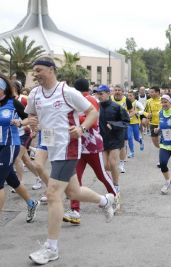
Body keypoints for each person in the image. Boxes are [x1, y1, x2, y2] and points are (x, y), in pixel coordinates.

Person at [25, 57, 115, 265]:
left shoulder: (67, 92)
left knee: (53, 193)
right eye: (34, 71)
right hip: (48, 142)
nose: (36, 74)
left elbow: (93, 111)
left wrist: (82, 129)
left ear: (51, 70)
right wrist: (32, 121)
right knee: (73, 192)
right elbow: (31, 115)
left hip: (68, 145)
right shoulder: (34, 94)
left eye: (39, 70)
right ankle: (105, 200)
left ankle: (51, 248)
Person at [0, 74, 39, 234]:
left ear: (2, 88)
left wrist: (20, 122)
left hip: (10, 145)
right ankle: (32, 203)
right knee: (11, 179)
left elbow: (30, 119)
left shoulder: (13, 102)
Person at [63, 78, 117, 225]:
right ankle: (75, 211)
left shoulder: (89, 99)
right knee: (76, 179)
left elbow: (92, 120)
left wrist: (75, 119)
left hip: (92, 145)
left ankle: (114, 198)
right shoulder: (76, 100)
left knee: (101, 175)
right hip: (79, 146)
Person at [96, 84, 130, 212]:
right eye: (98, 94)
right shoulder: (96, 107)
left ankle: (115, 186)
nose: (99, 96)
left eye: (101, 93)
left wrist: (113, 125)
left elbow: (126, 121)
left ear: (107, 94)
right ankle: (111, 185)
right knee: (105, 166)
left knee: (113, 163)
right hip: (103, 140)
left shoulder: (116, 107)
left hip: (115, 140)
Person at [111, 84, 132, 173]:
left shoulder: (126, 100)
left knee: (122, 145)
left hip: (123, 126)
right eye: (116, 90)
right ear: (113, 91)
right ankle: (111, 162)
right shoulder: (110, 99)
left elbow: (132, 111)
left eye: (119, 90)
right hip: (111, 125)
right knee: (111, 144)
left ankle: (122, 164)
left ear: (122, 92)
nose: (117, 92)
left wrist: (126, 117)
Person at [145, 86, 162, 166]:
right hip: (153, 124)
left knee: (162, 142)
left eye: (152, 92)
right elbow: (145, 112)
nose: (150, 94)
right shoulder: (148, 101)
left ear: (158, 92)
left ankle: (161, 160)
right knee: (155, 142)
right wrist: (148, 115)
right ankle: (164, 150)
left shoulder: (163, 100)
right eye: (149, 92)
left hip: (162, 124)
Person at [127, 90, 144, 158]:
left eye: (131, 95)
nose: (129, 97)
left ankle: (141, 141)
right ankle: (131, 152)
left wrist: (137, 112)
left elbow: (143, 110)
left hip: (135, 123)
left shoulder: (137, 103)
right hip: (128, 123)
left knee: (136, 138)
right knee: (129, 137)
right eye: (128, 95)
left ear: (134, 96)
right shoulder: (126, 102)